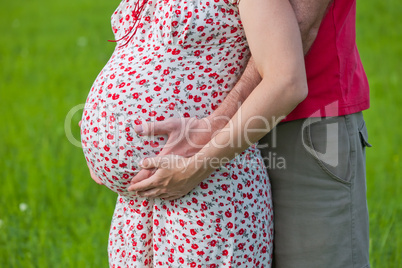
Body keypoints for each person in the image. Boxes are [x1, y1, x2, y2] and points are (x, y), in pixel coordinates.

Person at [124, 0, 372, 267]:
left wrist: (219, 121)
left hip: (303, 124)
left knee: (313, 259)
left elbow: (299, 27)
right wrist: (109, 122)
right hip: (202, 128)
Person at [80, 0, 307, 267]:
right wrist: (101, 143)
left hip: (209, 185)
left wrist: (196, 167)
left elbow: (286, 82)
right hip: (137, 204)